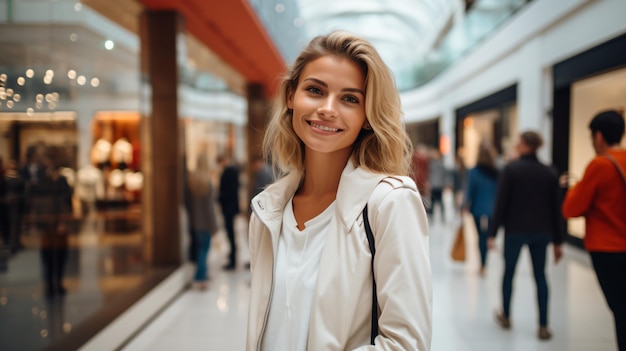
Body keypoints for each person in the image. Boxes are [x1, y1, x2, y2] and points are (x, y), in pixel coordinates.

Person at [246, 31, 432, 350]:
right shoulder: (268, 210)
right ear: (291, 96)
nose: (328, 109)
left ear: (368, 117)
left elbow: (407, 344)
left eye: (350, 99)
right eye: (315, 90)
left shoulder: (391, 202)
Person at [488, 130, 564, 340]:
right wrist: (558, 241)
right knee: (540, 276)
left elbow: (501, 203)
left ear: (523, 145)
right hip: (542, 232)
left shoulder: (511, 170)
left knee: (509, 272)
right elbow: (556, 208)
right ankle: (543, 325)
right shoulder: (549, 172)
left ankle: (506, 314)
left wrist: (492, 233)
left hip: (515, 230)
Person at [561, 110, 626, 351]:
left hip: (607, 248)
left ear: (598, 136)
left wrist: (573, 189)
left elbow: (571, 209)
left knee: (620, 309)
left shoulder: (600, 164)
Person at [462, 142, 498, 275]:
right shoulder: (496, 173)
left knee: (480, 237)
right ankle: (484, 261)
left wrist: (463, 206)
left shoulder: (473, 172)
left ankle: (482, 263)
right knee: (487, 235)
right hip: (493, 209)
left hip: (477, 209)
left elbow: (469, 190)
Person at [184, 153, 219, 290]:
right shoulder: (207, 182)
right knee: (204, 250)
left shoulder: (191, 181)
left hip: (194, 222)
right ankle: (200, 276)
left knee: (199, 248)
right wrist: (214, 226)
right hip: (205, 223)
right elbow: (209, 208)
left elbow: (187, 204)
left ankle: (201, 273)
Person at [217, 153, 240, 270]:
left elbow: (229, 192)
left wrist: (220, 198)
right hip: (229, 207)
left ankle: (233, 260)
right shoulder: (230, 171)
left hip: (229, 208)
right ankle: (232, 257)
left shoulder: (230, 172)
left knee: (231, 233)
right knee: (230, 233)